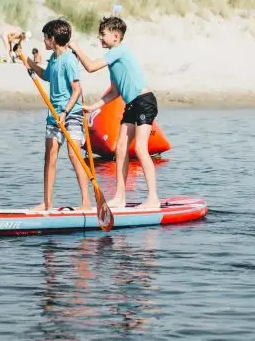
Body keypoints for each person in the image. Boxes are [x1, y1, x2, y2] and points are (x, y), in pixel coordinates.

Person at [69, 16, 161, 210]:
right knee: (120, 148)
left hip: (144, 102)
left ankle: (153, 198)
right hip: (132, 104)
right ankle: (120, 197)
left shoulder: (119, 51)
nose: (100, 38)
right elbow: (115, 91)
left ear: (116, 36)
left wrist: (77, 49)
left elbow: (91, 67)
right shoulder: (113, 58)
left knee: (140, 149)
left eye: (103, 34)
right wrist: (93, 107)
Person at [24, 19, 92, 214]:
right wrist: (28, 62)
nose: (44, 41)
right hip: (53, 115)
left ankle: (86, 202)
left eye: (45, 37)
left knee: (74, 155)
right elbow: (47, 76)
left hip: (71, 114)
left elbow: (77, 90)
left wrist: (65, 112)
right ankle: (47, 203)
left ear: (52, 39)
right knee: (50, 157)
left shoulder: (69, 60)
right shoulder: (53, 58)